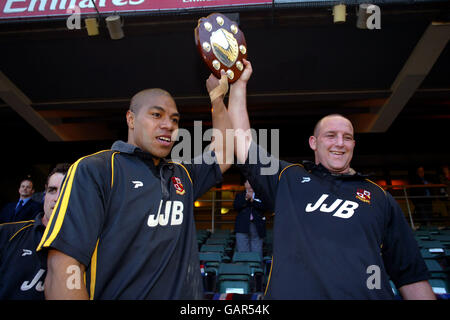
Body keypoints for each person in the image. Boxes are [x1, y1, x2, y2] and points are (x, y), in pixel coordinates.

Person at [222, 59, 435, 299]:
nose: (340, 143)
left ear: (354, 144)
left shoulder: (380, 197)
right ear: (314, 143)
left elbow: (412, 277)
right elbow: (242, 144)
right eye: (331, 136)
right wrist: (238, 84)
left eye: (347, 137)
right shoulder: (289, 178)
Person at [38, 82, 233, 299]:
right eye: (157, 115)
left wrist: (217, 97)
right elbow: (63, 264)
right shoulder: (98, 170)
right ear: (131, 119)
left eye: (175, 119)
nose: (168, 125)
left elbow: (224, 153)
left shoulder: (181, 175)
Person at [0, 163, 70, 299]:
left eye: (66, 191)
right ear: (45, 193)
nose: (57, 198)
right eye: (52, 190)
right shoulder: (6, 233)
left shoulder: (89, 245)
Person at [233, 180, 267, 258]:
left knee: (257, 251)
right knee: (242, 250)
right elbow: (236, 207)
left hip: (257, 225)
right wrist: (246, 199)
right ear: (245, 184)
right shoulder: (240, 195)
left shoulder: (261, 195)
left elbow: (265, 207)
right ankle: (245, 269)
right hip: (242, 225)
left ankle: (256, 269)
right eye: (248, 182)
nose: (251, 185)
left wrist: (252, 199)